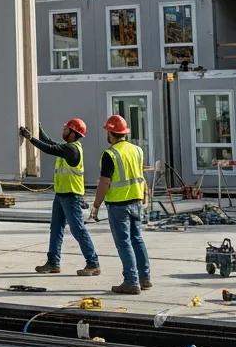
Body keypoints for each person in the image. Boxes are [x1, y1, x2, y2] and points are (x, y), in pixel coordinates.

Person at [19, 118, 100, 277]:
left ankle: (93, 263)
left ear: (72, 133)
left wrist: (30, 138)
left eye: (66, 129)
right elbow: (49, 142)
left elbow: (49, 148)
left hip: (71, 196)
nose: (63, 131)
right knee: (55, 229)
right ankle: (53, 263)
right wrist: (38, 127)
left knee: (78, 230)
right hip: (61, 195)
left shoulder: (72, 150)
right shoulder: (67, 147)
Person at [89, 114, 150, 295]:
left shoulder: (110, 154)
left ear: (110, 132)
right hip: (136, 200)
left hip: (118, 204)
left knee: (124, 243)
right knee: (137, 239)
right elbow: (141, 175)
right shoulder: (137, 150)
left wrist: (96, 205)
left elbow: (104, 182)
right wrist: (145, 194)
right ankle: (144, 278)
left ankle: (131, 281)